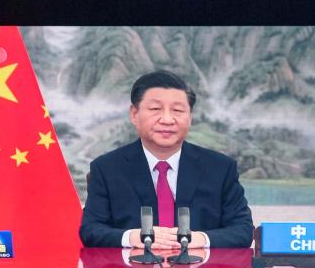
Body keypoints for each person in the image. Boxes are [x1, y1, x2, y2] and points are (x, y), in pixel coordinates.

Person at [78, 70, 254, 251]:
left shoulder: (220, 168)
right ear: (134, 114)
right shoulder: (107, 169)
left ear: (190, 117)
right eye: (155, 109)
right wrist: (132, 237)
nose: (167, 120)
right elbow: (91, 230)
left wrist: (201, 239)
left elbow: (243, 230)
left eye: (177, 110)